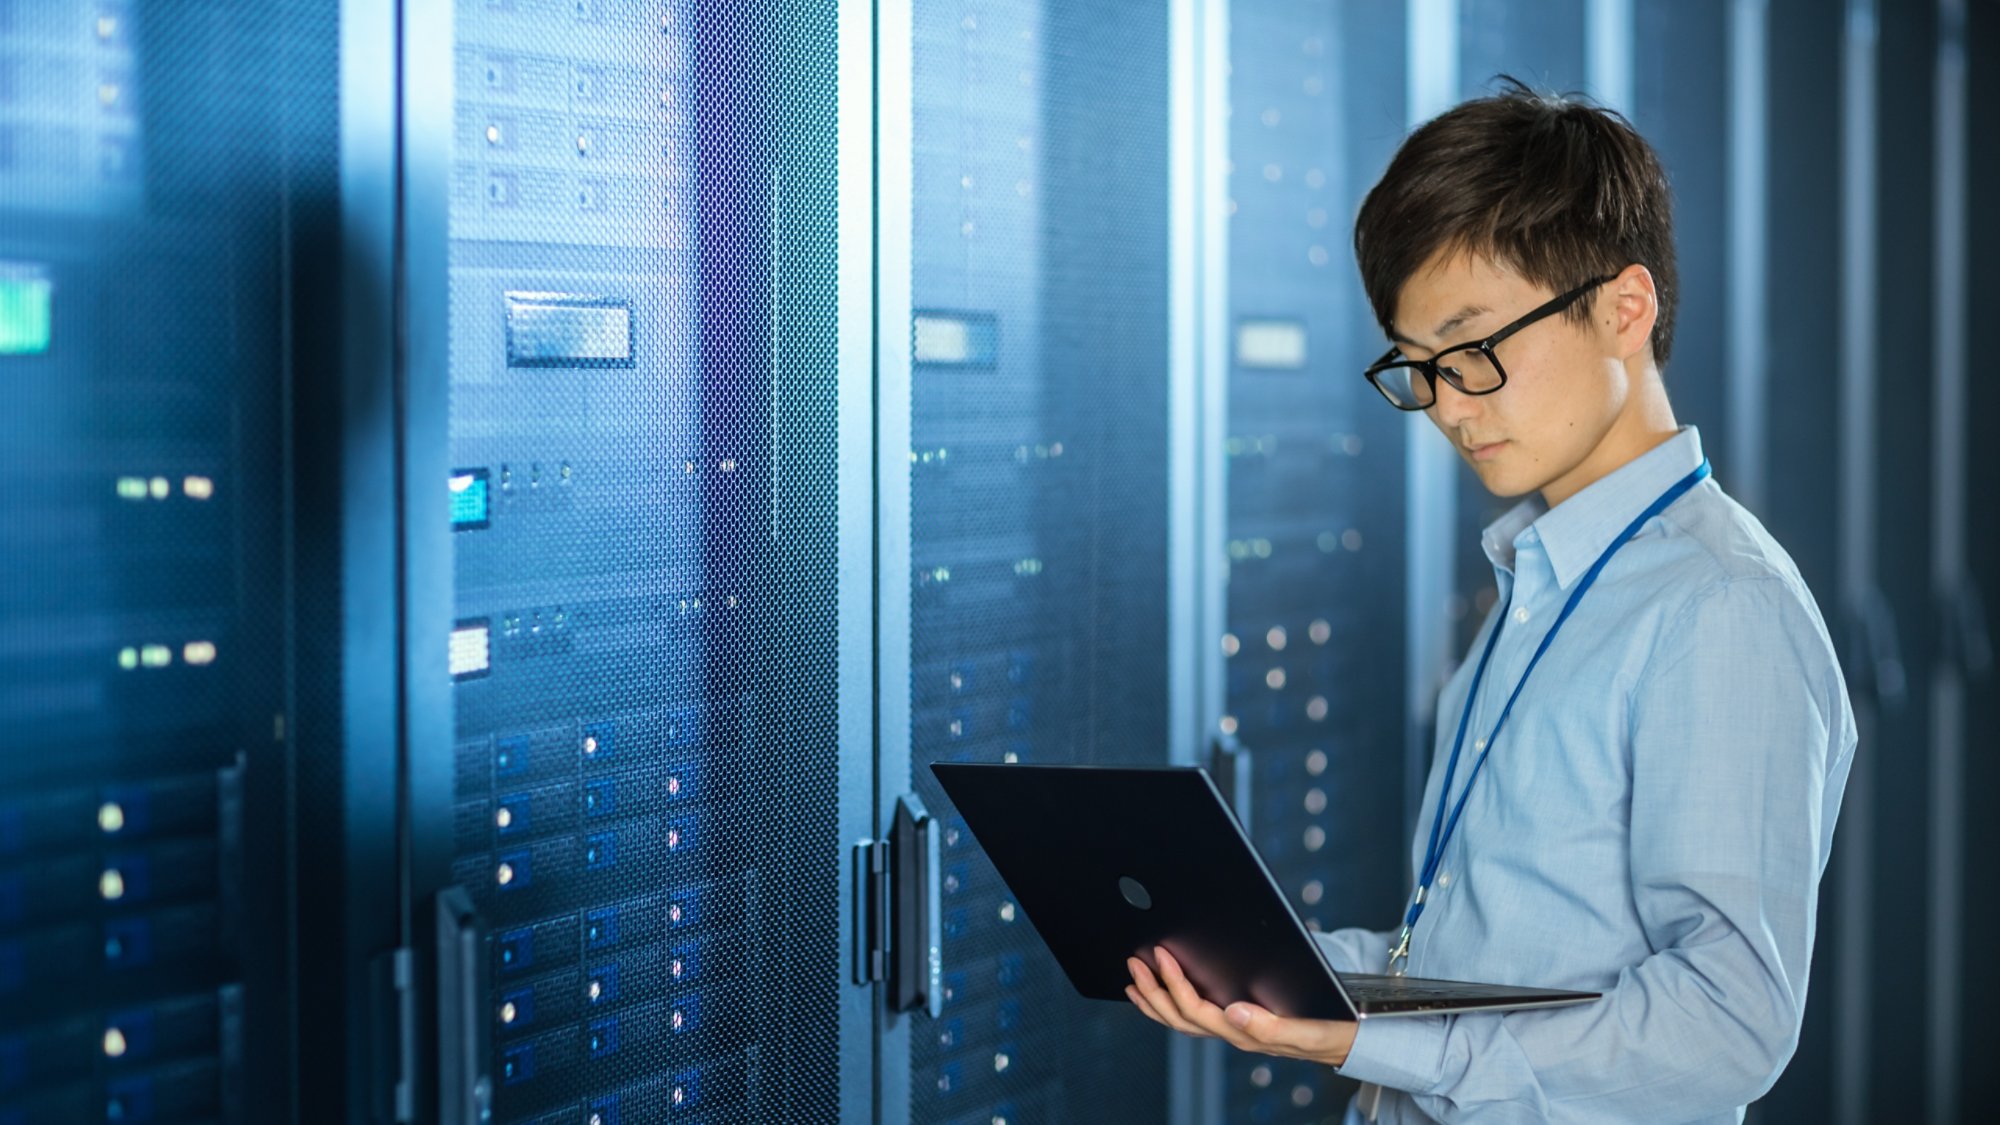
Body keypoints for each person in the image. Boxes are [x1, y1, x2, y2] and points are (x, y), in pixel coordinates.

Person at [1125, 80, 1856, 1123]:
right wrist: (1278, 972)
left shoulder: (1716, 607)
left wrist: (1395, 1047)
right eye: (1419, 370)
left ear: (1623, 308)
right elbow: (1486, 956)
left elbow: (1725, 1022)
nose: (1450, 410)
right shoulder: (1538, 584)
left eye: (1473, 354)